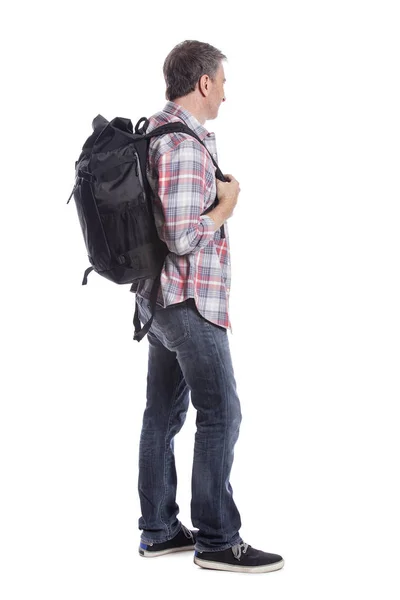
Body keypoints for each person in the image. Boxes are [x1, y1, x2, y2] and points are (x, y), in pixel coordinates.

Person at [133, 40, 284, 574]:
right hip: (190, 300)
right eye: (221, 80)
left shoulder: (155, 131)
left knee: (164, 414)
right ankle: (219, 538)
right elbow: (179, 236)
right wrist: (226, 206)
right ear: (203, 83)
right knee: (221, 413)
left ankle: (159, 530)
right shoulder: (182, 146)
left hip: (160, 302)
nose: (224, 91)